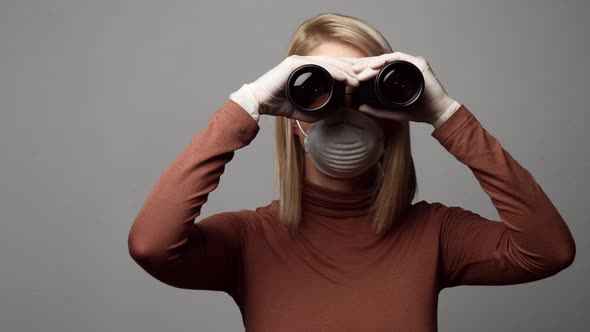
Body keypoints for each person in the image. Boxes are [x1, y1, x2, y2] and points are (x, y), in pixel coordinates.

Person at [127, 13, 576, 330]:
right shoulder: (249, 239)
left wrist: (447, 114)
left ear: (394, 106)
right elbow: (151, 246)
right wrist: (248, 103)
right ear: (292, 114)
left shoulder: (435, 232)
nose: (344, 111)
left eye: (365, 91)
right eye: (320, 89)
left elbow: (549, 252)